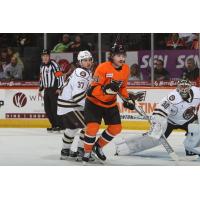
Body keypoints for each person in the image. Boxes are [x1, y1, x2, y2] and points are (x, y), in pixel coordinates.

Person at [115, 78, 200, 157]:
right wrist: (158, 123)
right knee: (155, 138)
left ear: (190, 87)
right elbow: (160, 111)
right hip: (170, 121)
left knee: (197, 131)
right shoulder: (172, 97)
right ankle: (124, 147)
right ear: (177, 87)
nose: (184, 89)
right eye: (181, 87)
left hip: (189, 120)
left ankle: (192, 149)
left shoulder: (197, 92)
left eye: (186, 87)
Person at [82, 43, 135, 163]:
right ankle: (87, 151)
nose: (121, 58)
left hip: (110, 104)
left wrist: (127, 100)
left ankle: (98, 147)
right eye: (118, 55)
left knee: (116, 128)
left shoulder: (126, 69)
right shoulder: (102, 67)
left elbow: (122, 88)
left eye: (123, 55)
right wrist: (105, 89)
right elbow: (92, 90)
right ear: (111, 56)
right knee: (92, 128)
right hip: (94, 103)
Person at [57, 50, 93, 160]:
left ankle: (65, 151)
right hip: (71, 106)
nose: (88, 62)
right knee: (89, 127)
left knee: (72, 128)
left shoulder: (82, 71)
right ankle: (81, 151)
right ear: (80, 62)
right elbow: (77, 97)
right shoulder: (81, 74)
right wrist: (90, 106)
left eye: (89, 60)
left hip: (66, 105)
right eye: (85, 60)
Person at [39, 49, 64, 132]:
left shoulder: (54, 64)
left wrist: (60, 88)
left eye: (46, 56)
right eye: (43, 56)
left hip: (54, 89)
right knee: (47, 109)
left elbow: (60, 76)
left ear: (49, 57)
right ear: (41, 57)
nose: (45, 57)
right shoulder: (41, 65)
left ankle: (59, 125)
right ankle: (53, 125)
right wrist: (40, 89)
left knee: (54, 108)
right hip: (46, 90)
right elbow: (42, 78)